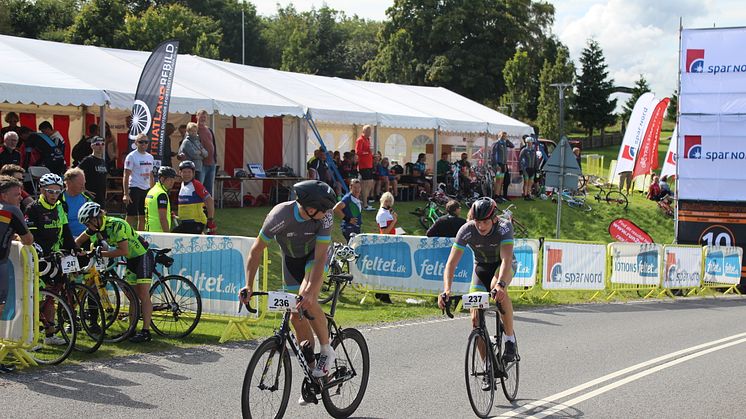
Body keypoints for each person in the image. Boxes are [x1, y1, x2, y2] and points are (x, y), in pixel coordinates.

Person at [238, 180, 337, 383]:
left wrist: (310, 290)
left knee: (306, 299)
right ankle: (314, 373)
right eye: (324, 208)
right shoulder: (278, 216)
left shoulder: (325, 216)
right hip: (291, 260)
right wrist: (248, 284)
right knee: (295, 315)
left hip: (315, 257)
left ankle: (327, 350)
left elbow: (319, 259)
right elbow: (256, 252)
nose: (328, 211)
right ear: (310, 209)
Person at [438, 197, 517, 369]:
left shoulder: (504, 227)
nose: (481, 226)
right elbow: (451, 263)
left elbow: (506, 259)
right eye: (478, 222)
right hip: (481, 267)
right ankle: (488, 365)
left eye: (485, 222)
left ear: (494, 218)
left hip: (503, 265)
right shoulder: (466, 230)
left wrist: (501, 285)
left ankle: (510, 340)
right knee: (475, 318)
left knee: (497, 290)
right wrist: (446, 290)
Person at [75, 202, 155, 342]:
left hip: (142, 256)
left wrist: (100, 254)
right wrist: (73, 251)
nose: (88, 227)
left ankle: (146, 331)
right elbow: (79, 241)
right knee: (132, 297)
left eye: (88, 224)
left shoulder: (117, 225)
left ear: (96, 219)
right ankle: (131, 330)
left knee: (143, 294)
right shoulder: (96, 227)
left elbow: (123, 251)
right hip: (131, 259)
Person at [25, 173, 81, 347]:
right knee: (38, 298)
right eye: (50, 191)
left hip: (56, 257)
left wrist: (74, 249)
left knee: (53, 296)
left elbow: (65, 231)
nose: (54, 195)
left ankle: (50, 335)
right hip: (40, 258)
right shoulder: (33, 208)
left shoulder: (60, 206)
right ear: (42, 190)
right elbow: (30, 235)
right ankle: (31, 336)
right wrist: (39, 252)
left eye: (58, 191)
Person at [0, 175, 34, 355]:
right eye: (16, 195)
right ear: (4, 196)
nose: (20, 198)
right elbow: (28, 239)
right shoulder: (11, 210)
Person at [123, 133, 154, 230]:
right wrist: (126, 193)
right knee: (131, 214)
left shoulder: (150, 157)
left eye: (146, 142)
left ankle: (140, 236)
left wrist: (152, 191)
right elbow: (126, 175)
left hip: (146, 189)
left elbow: (151, 174)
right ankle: (124, 235)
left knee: (143, 215)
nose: (144, 144)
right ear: (136, 143)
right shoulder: (131, 156)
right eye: (141, 142)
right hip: (134, 187)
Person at [175, 160, 216, 234]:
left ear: (193, 173)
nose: (186, 174)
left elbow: (210, 201)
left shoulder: (196, 185)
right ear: (180, 173)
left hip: (196, 222)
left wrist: (210, 220)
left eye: (189, 172)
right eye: (184, 172)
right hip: (186, 223)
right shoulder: (183, 185)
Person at [61, 168, 93, 238]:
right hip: (69, 238)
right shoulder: (59, 200)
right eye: (80, 184)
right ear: (69, 183)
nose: (83, 187)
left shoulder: (87, 198)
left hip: (89, 237)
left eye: (84, 183)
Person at [77, 136, 108, 206]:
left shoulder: (103, 161)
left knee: (101, 216)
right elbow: (75, 173)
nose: (100, 146)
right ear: (92, 146)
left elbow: (103, 178)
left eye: (102, 144)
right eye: (97, 144)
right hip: (91, 197)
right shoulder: (88, 160)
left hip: (101, 197)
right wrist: (83, 189)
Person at [145, 166, 177, 232]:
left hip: (149, 231)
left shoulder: (152, 190)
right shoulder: (161, 194)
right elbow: (162, 218)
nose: (172, 182)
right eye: (170, 179)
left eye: (173, 179)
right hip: (159, 233)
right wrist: (167, 235)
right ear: (162, 179)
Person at [334, 178, 362, 242]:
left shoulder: (355, 197)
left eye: (358, 187)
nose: (357, 190)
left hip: (355, 227)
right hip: (349, 228)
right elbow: (336, 209)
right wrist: (348, 219)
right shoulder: (348, 198)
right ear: (350, 187)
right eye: (355, 187)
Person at [196, 110, 217, 195]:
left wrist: (215, 159)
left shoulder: (209, 130)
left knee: (209, 189)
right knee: (200, 188)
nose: (203, 119)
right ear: (197, 117)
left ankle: (208, 208)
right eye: (201, 117)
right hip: (201, 164)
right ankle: (198, 207)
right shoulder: (194, 129)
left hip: (211, 163)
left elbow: (213, 145)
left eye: (204, 117)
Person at [491, 131, 514, 202]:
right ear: (499, 136)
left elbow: (512, 146)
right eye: (502, 136)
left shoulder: (504, 143)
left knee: (501, 181)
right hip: (498, 164)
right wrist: (496, 165)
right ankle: (496, 196)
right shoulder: (496, 143)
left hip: (504, 164)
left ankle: (499, 195)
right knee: (497, 181)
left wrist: (507, 140)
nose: (504, 137)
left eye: (505, 136)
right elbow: (492, 155)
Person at [356, 125, 375, 211]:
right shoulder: (360, 140)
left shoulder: (368, 140)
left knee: (370, 183)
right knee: (365, 184)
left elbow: (368, 152)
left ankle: (364, 201)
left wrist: (372, 155)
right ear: (364, 131)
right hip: (363, 165)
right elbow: (358, 152)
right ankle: (365, 204)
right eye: (368, 131)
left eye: (370, 131)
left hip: (369, 165)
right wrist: (368, 153)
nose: (370, 133)